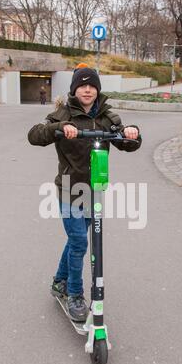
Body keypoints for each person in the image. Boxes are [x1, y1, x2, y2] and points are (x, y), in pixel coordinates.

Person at [28, 66, 142, 322]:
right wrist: (59, 127)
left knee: (74, 240)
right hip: (70, 189)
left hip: (94, 192)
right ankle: (76, 294)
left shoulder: (107, 117)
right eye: (82, 86)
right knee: (79, 241)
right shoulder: (62, 113)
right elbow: (34, 135)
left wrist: (132, 131)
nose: (87, 89)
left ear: (97, 89)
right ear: (74, 89)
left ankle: (59, 281)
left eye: (92, 86)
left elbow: (127, 142)